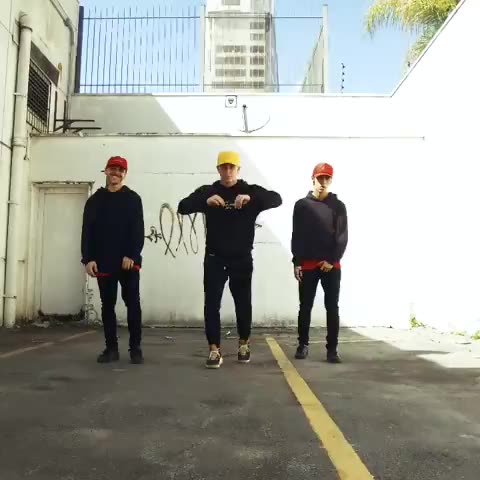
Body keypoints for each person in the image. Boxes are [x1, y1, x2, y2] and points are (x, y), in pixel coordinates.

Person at [178, 151, 282, 369]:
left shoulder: (249, 190)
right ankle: (214, 349)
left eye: (231, 167)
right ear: (218, 169)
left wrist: (252, 199)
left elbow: (276, 199)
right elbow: (183, 206)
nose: (227, 171)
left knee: (243, 304)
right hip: (215, 258)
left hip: (241, 259)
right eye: (224, 167)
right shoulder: (209, 191)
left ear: (238, 169)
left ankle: (244, 344)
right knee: (211, 305)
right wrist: (204, 201)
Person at [81, 156, 145, 364]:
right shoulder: (94, 201)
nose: (116, 173)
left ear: (124, 173)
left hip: (128, 263)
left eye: (120, 170)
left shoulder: (133, 199)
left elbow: (138, 230)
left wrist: (132, 255)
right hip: (103, 262)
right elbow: (87, 232)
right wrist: (88, 259)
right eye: (112, 169)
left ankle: (135, 349)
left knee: (132, 304)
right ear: (106, 171)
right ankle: (111, 349)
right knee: (107, 306)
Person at [291, 162, 348, 363]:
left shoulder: (338, 206)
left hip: (331, 266)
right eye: (320, 178)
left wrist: (332, 260)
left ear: (331, 180)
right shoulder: (302, 205)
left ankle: (332, 350)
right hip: (308, 264)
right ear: (313, 179)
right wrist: (297, 261)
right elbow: (297, 235)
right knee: (305, 306)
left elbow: (342, 236)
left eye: (327, 178)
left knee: (332, 307)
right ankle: (302, 345)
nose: (323, 182)